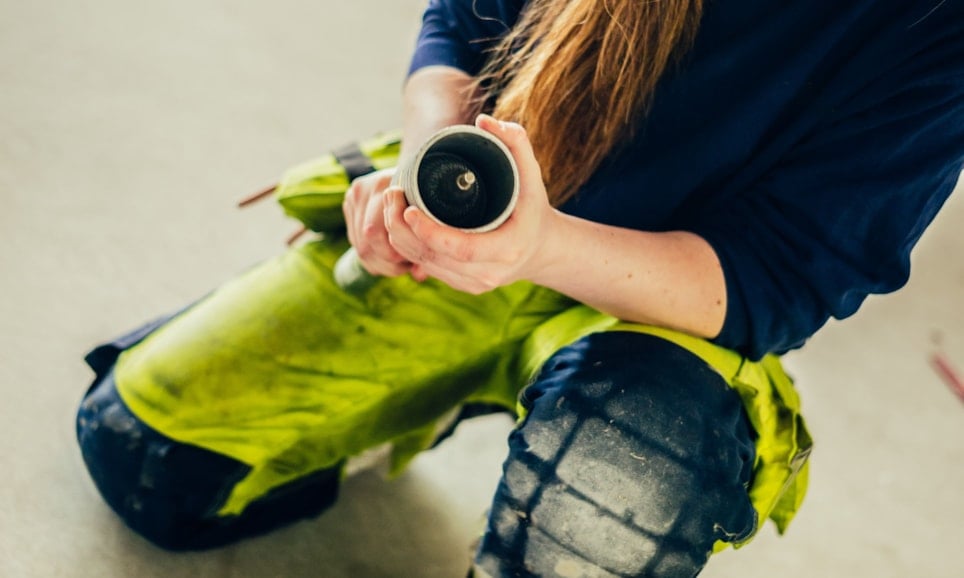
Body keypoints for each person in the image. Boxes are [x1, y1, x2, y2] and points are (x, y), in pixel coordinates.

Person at [76, 0, 964, 576]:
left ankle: (588, 407)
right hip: (495, 205)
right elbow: (458, 28)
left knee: (621, 476)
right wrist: (428, 174)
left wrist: (539, 247)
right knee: (140, 455)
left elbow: (775, 275)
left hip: (665, 312)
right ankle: (434, 387)